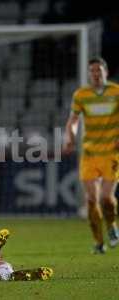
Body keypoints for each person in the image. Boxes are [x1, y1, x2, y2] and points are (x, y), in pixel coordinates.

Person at [63, 57, 119, 253]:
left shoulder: (116, 92)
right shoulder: (81, 94)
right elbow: (74, 120)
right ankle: (98, 242)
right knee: (91, 200)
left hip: (111, 153)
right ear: (89, 74)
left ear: (106, 71)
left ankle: (112, 226)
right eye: (92, 71)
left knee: (106, 198)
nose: (96, 74)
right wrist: (70, 137)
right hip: (89, 154)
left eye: (99, 70)